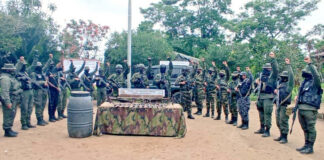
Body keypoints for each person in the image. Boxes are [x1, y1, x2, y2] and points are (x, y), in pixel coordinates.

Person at [295, 56, 322, 154]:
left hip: (310, 109)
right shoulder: (304, 83)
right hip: (301, 108)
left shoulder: (315, 83)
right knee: (305, 128)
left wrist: (310, 64)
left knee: (310, 128)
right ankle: (306, 145)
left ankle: (310, 147)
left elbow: (316, 76)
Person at [255, 52, 278, 137]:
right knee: (261, 113)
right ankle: (262, 128)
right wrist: (257, 83)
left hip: (268, 97)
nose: (267, 70)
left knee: (267, 114)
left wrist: (273, 59)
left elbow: (276, 70)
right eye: (266, 68)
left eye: (268, 69)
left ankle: (267, 130)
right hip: (260, 96)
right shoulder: (261, 76)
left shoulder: (272, 76)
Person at [273, 58, 294, 144]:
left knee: (284, 121)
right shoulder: (280, 85)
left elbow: (291, 77)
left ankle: (284, 137)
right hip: (279, 105)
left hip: (285, 106)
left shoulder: (289, 85)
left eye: (284, 77)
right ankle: (281, 135)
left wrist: (288, 65)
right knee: (278, 121)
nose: (283, 78)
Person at [0, 63, 22, 137]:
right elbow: (4, 91)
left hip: (13, 98)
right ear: (8, 70)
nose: (13, 70)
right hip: (9, 99)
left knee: (12, 114)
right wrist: (7, 102)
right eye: (12, 69)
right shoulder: (5, 78)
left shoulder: (10, 77)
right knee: (8, 114)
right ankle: (7, 130)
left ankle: (9, 128)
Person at [16, 56, 35, 130]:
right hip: (24, 91)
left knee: (30, 108)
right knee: (24, 108)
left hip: (30, 90)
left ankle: (28, 122)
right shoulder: (18, 73)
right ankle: (23, 124)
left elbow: (33, 66)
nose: (24, 66)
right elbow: (16, 77)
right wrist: (20, 61)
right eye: (23, 65)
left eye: (25, 64)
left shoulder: (26, 72)